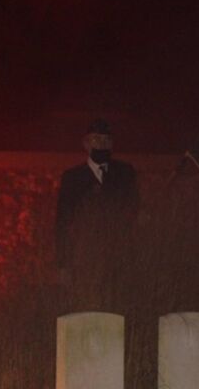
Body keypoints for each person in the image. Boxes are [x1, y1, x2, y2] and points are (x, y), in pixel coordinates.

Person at [55, 119, 139, 281]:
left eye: (106, 140)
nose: (101, 145)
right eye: (97, 140)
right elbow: (63, 222)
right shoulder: (73, 178)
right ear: (86, 144)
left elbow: (133, 210)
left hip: (119, 260)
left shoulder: (124, 173)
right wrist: (63, 264)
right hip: (85, 258)